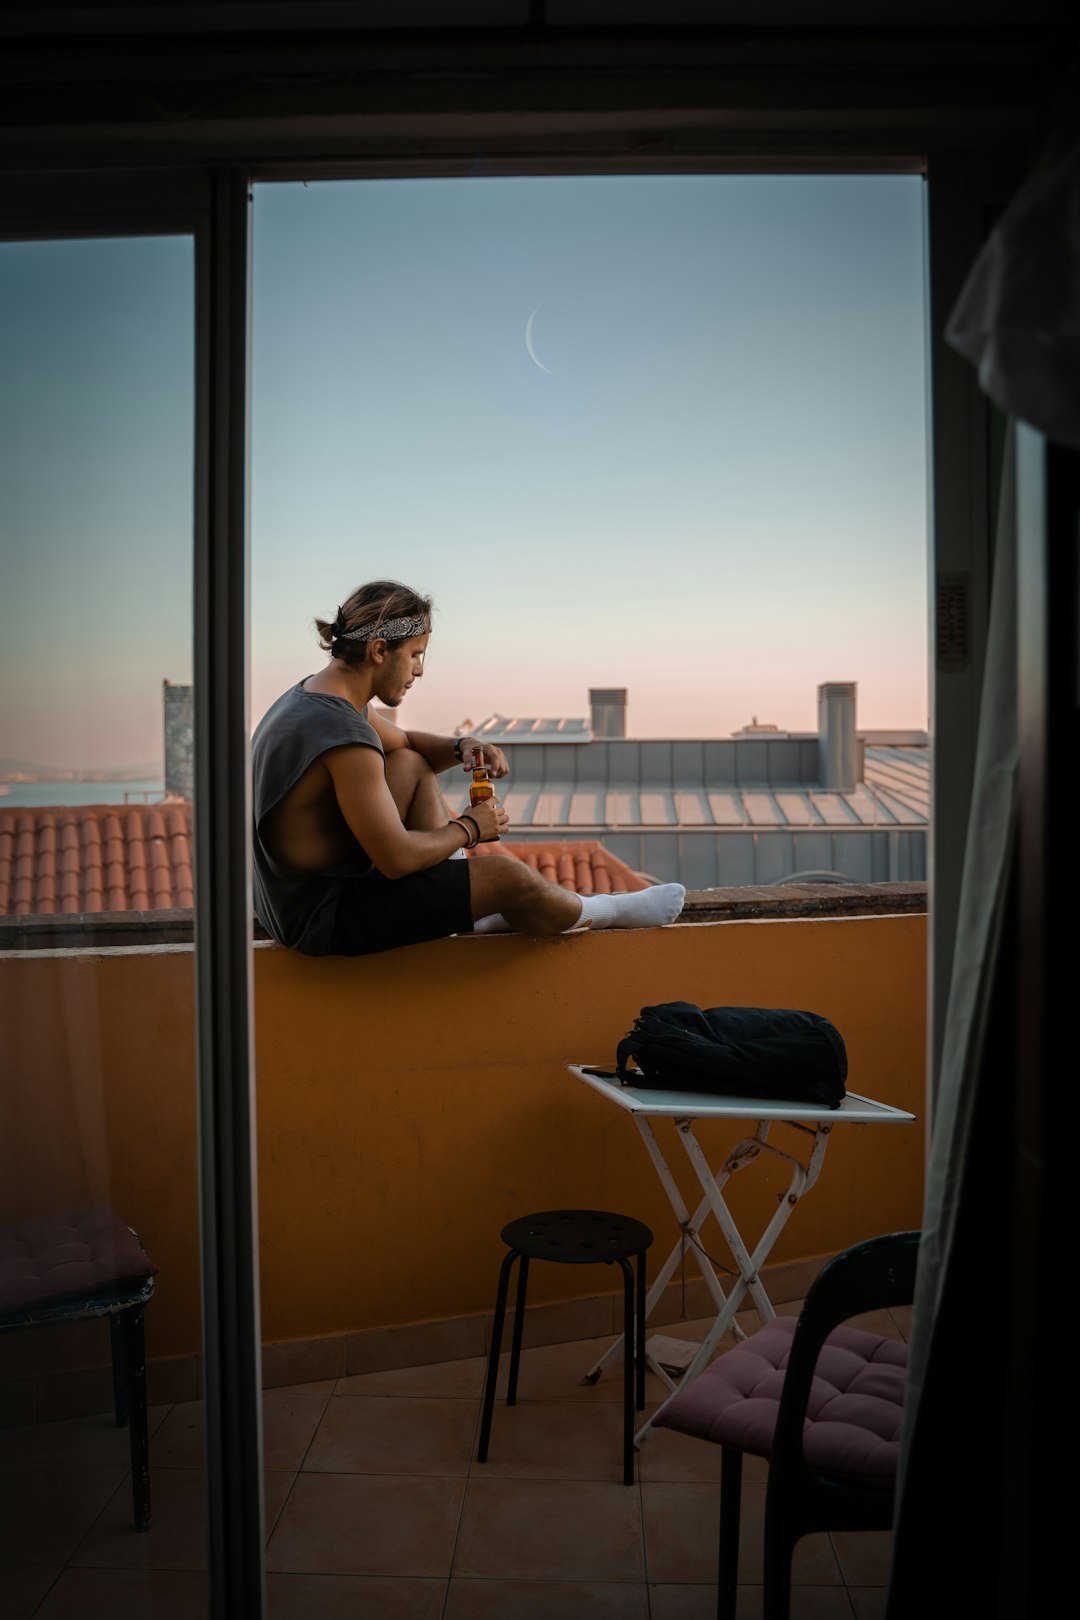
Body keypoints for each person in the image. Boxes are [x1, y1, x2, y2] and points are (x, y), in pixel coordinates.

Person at [252, 579, 686, 956]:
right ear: (380, 650)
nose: (419, 671)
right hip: (323, 917)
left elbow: (405, 743)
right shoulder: (344, 735)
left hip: (295, 898)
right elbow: (396, 859)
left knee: (410, 763)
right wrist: (472, 828)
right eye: (416, 655)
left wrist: (463, 746)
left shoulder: (317, 697)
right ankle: (605, 910)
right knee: (507, 874)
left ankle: (465, 908)